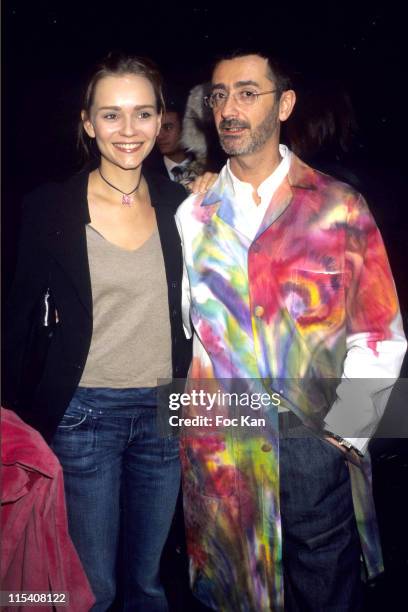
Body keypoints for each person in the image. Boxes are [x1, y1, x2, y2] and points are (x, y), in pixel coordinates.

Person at [175, 50, 407, 611]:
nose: (230, 108)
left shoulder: (338, 206)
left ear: (285, 104)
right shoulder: (193, 214)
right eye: (220, 95)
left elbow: (381, 335)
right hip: (222, 445)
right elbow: (187, 334)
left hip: (313, 438)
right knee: (231, 593)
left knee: (325, 589)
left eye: (248, 93)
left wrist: (343, 438)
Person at [3, 53, 192, 611]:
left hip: (167, 412)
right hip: (85, 416)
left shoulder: (185, 210)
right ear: (88, 123)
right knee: (96, 587)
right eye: (111, 115)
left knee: (149, 582)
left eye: (142, 114)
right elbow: (17, 318)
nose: (128, 131)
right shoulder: (49, 208)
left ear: (162, 122)